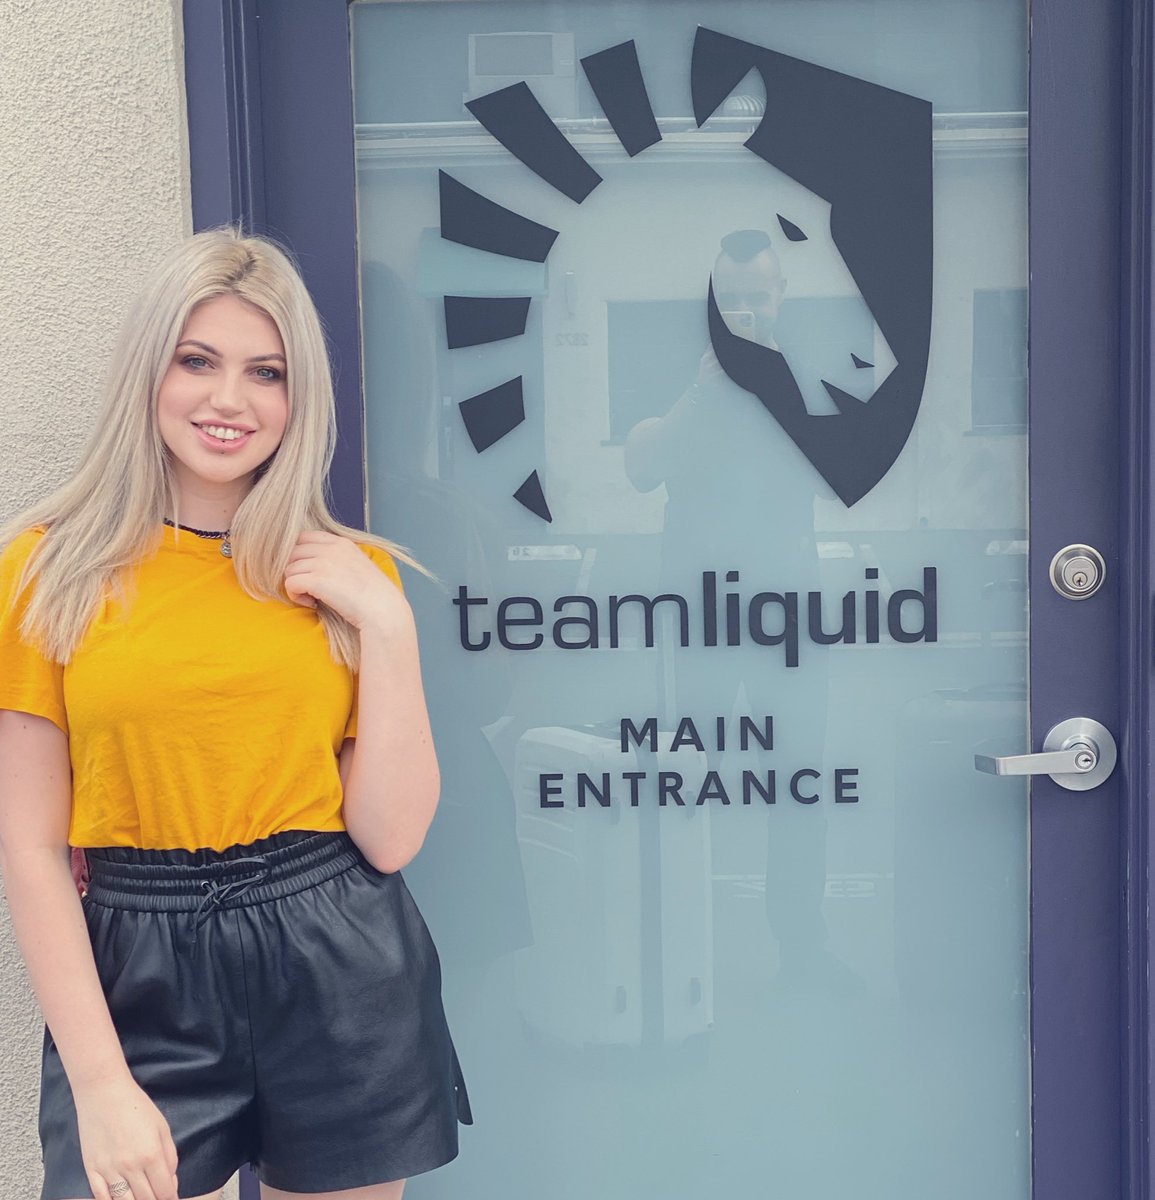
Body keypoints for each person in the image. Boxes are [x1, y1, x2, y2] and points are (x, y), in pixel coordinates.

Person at [0, 228, 471, 1200]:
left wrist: (388, 629)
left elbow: (390, 837)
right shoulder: (47, 570)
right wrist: (101, 1085)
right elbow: (31, 848)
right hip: (141, 966)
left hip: (336, 954)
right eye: (197, 361)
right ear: (150, 372)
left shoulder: (352, 576)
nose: (230, 399)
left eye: (267, 372)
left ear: (299, 398)